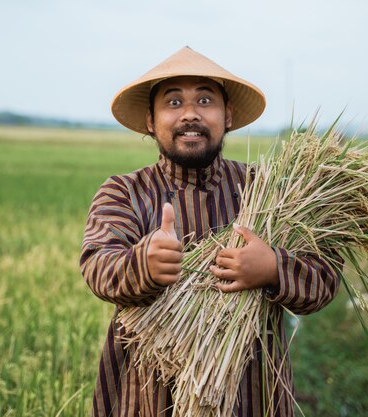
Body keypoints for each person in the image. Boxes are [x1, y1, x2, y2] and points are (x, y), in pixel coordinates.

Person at [80, 46, 342, 417]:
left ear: (228, 115)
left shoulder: (268, 192)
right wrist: (144, 263)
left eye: (205, 99)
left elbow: (325, 277)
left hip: (252, 395)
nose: (190, 113)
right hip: (146, 396)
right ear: (151, 121)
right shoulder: (124, 192)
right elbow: (97, 265)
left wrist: (272, 268)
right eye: (173, 102)